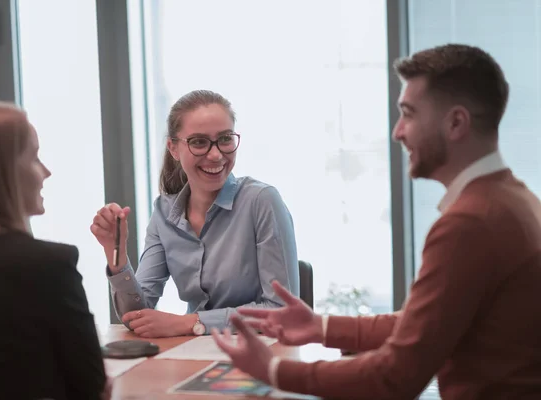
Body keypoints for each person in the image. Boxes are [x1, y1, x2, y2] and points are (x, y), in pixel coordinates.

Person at [212, 44, 541, 399]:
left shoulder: (471, 224)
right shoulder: (513, 199)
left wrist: (275, 369)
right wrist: (320, 326)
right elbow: (422, 325)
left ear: (456, 123)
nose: (398, 131)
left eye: (409, 114)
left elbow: (395, 377)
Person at [91, 89, 299, 338]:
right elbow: (137, 316)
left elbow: (282, 311)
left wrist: (192, 322)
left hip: (259, 354)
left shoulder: (262, 201)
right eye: (199, 142)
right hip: (196, 355)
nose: (215, 154)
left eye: (225, 139)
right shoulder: (164, 213)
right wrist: (117, 256)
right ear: (174, 148)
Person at [0, 101, 110, 400]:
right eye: (33, 157)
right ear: (1, 173)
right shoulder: (45, 265)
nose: (46, 172)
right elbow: (92, 387)